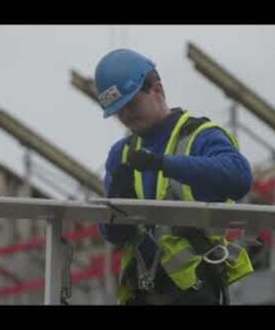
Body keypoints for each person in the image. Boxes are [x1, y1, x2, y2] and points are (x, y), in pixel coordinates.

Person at [95, 49, 254, 305]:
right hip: (142, 292)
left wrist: (162, 164)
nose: (126, 116)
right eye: (119, 111)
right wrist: (118, 203)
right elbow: (112, 236)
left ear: (157, 90)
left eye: (131, 104)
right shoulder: (121, 154)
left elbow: (239, 178)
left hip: (195, 290)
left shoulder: (200, 135)